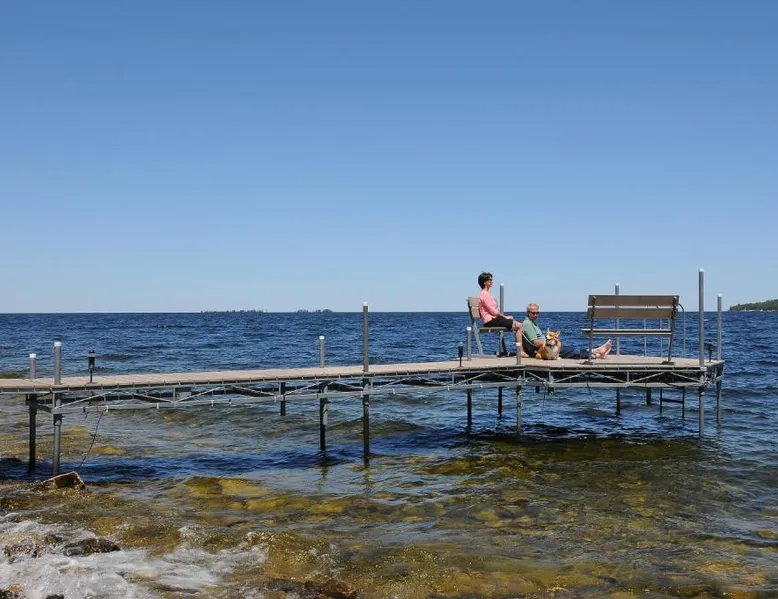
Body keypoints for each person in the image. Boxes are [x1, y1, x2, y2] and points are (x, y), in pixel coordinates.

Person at [522, 302, 612, 359]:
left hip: (547, 347)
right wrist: (551, 342)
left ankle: (596, 351)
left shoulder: (531, 322)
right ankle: (597, 354)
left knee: (570, 349)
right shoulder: (528, 324)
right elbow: (535, 342)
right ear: (528, 313)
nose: (536, 315)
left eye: (537, 313)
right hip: (544, 350)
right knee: (571, 351)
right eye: (533, 313)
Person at [477, 272, 525, 356]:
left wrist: (505, 317)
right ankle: (521, 352)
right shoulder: (484, 294)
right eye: (490, 280)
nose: (492, 281)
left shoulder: (486, 294)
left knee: (517, 324)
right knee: (519, 326)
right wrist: (505, 317)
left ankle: (521, 351)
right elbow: (493, 311)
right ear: (484, 282)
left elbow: (493, 310)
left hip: (492, 319)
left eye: (492, 280)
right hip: (490, 321)